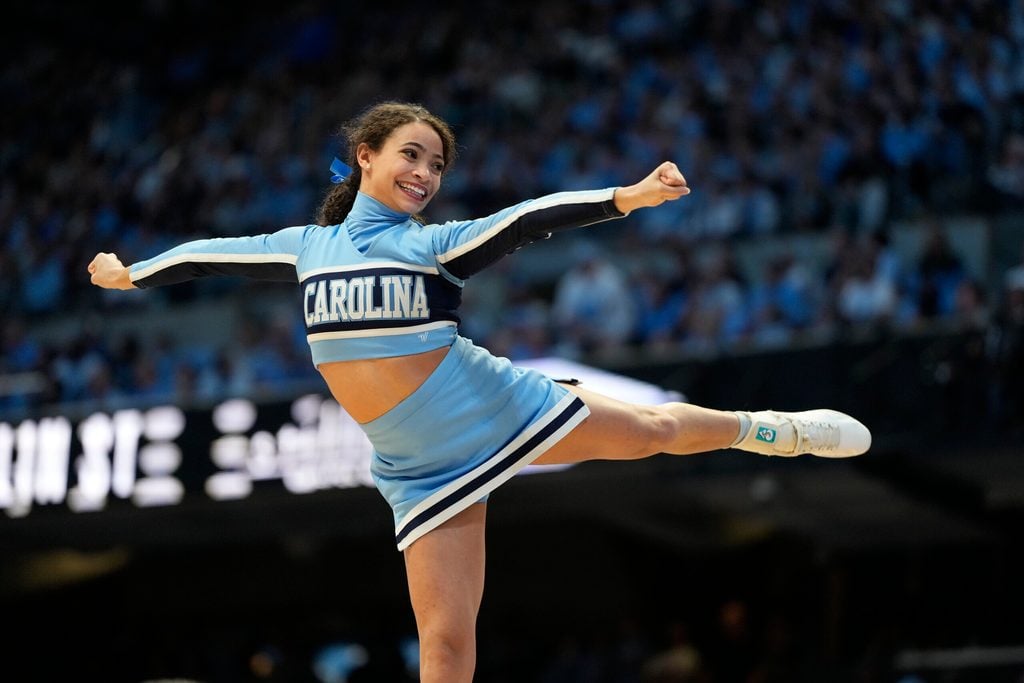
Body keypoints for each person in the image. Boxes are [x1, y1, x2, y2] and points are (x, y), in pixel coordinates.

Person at [88, 101, 871, 683]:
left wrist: (624, 198)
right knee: (447, 643)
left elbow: (526, 219)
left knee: (654, 431)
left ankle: (768, 428)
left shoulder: (431, 245)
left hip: (488, 406)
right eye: (413, 156)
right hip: (416, 464)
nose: (426, 176)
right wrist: (131, 274)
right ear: (365, 155)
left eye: (436, 166)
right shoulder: (305, 249)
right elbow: (205, 256)